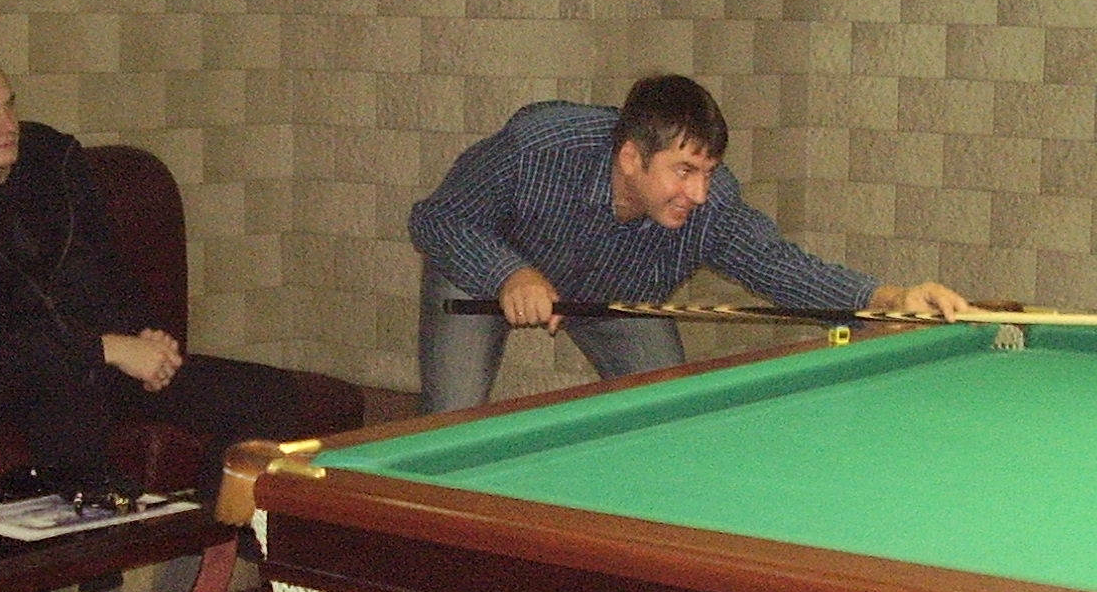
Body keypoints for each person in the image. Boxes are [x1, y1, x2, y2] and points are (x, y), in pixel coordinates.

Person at [0, 51, 316, 592]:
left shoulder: (54, 162)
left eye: (9, 106)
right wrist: (105, 350)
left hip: (108, 355)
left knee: (270, 398)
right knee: (72, 408)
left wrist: (147, 339)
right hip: (10, 380)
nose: (7, 126)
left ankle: (187, 591)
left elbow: (109, 270)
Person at [409, 74, 970, 414]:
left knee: (667, 411)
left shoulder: (711, 203)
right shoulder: (539, 146)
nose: (698, 193)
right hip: (483, 272)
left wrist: (890, 300)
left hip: (612, 295)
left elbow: (780, 267)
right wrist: (510, 274)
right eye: (683, 171)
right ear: (631, 158)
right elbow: (437, 220)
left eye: (708, 172)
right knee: (450, 418)